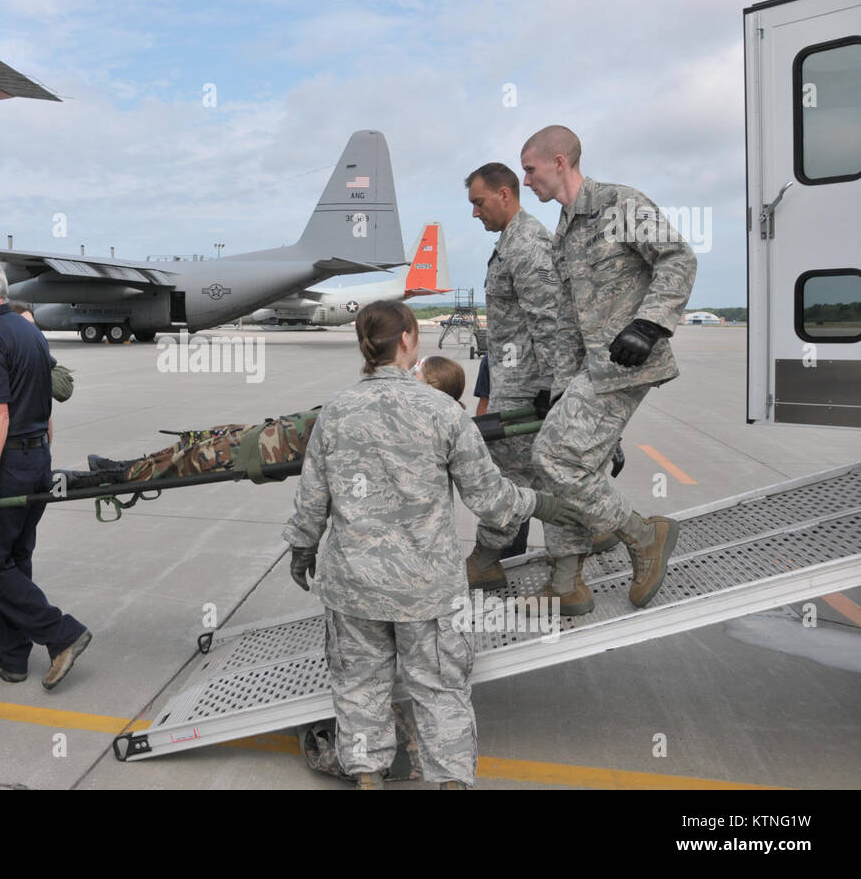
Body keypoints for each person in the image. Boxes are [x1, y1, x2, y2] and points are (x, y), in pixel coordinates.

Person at [282, 301, 577, 789]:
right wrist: (540, 504)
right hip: (428, 591)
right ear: (407, 341)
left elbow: (312, 497)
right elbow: (490, 499)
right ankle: (450, 783)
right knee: (441, 691)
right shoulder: (442, 410)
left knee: (358, 688)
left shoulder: (334, 411)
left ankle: (368, 779)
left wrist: (302, 548)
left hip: (353, 585)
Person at [520, 125, 697, 615]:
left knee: (554, 458)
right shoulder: (563, 231)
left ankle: (645, 537)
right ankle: (567, 582)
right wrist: (558, 389)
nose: (527, 180)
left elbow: (677, 257)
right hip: (591, 369)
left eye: (530, 169)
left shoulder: (620, 203)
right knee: (565, 466)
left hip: (628, 363)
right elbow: (568, 320)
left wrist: (650, 323)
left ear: (559, 162)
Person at [0, 260, 91, 691]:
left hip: (7, 464)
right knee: (15, 559)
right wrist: (42, 458)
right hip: (35, 459)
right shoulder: (31, 332)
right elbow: (46, 403)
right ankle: (10, 658)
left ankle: (61, 633)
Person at [462, 162, 560, 590]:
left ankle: (495, 562)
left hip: (528, 393)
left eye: (478, 202)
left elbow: (550, 322)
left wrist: (553, 391)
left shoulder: (527, 245)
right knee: (525, 483)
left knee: (516, 484)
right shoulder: (510, 242)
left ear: (505, 194)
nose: (474, 212)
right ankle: (504, 563)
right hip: (514, 385)